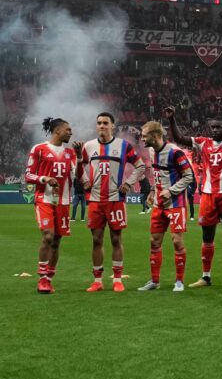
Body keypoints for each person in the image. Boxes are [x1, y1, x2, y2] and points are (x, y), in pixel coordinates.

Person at [164, 105, 222, 289]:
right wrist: (172, 119)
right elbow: (179, 138)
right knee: (207, 237)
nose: (215, 130)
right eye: (213, 127)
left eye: (219, 127)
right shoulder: (204, 142)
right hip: (209, 195)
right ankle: (206, 277)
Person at [80, 112, 145, 293]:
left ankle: (117, 279)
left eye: (105, 123)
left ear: (112, 126)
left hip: (116, 200)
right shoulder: (88, 146)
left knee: (116, 239)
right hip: (95, 200)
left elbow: (140, 166)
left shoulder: (123, 146)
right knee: (96, 239)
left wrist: (129, 183)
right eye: (99, 123)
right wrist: (84, 179)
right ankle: (98, 280)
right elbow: (77, 165)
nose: (102, 126)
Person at [137, 121, 194, 291]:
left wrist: (171, 191)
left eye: (144, 135)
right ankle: (154, 281)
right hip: (158, 204)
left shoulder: (175, 152)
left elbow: (188, 176)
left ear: (155, 136)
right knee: (154, 241)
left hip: (176, 204)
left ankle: (179, 281)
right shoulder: (151, 150)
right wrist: (153, 191)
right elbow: (158, 174)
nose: (142, 138)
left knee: (177, 241)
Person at [25, 117, 79, 294]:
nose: (70, 132)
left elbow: (76, 177)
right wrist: (44, 178)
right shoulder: (39, 149)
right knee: (48, 236)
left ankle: (49, 279)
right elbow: (28, 175)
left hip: (63, 202)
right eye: (68, 129)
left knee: (56, 241)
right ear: (57, 131)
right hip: (44, 199)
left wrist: (78, 157)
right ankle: (41, 278)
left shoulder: (70, 153)